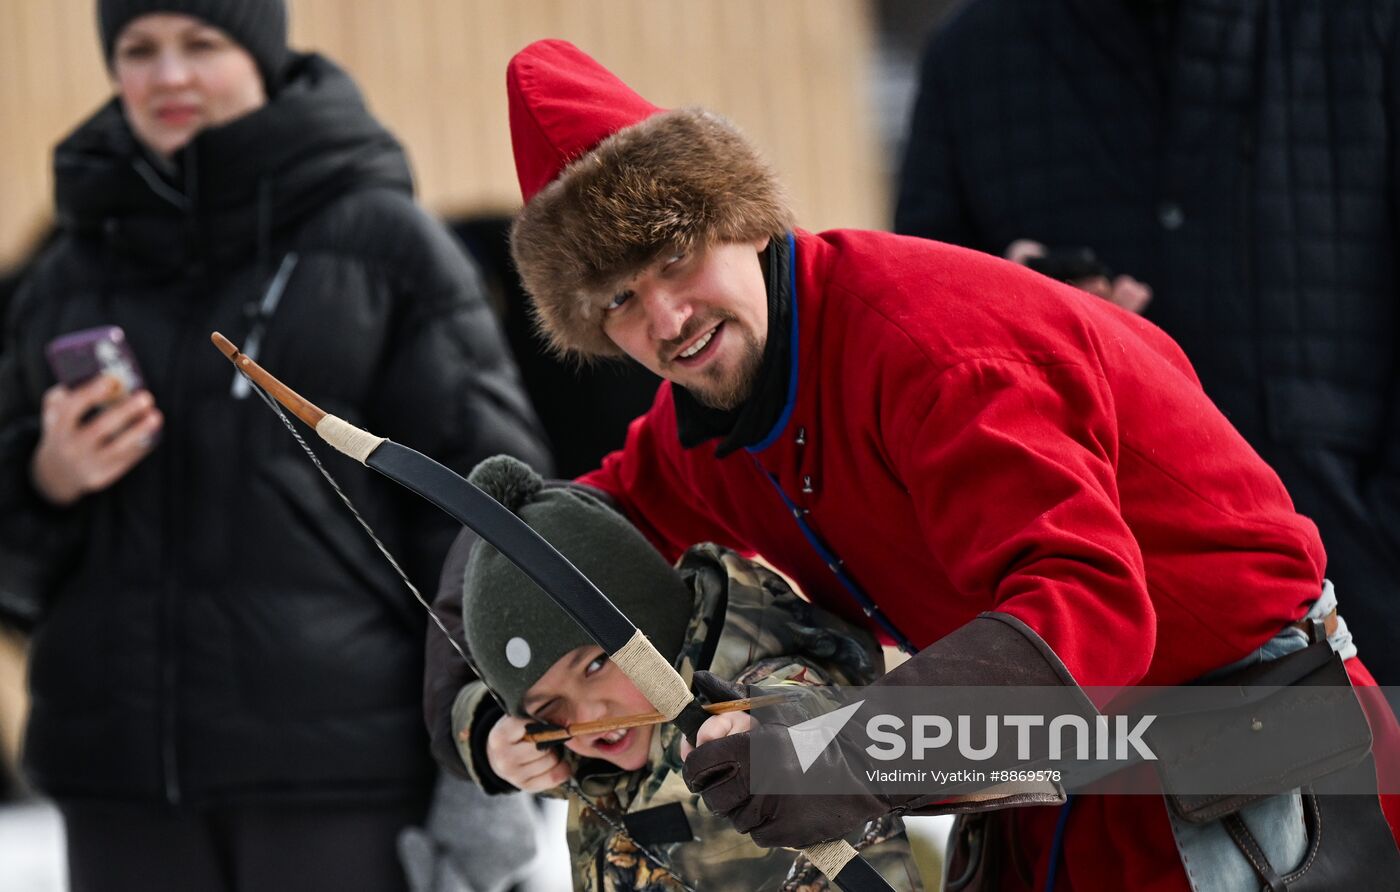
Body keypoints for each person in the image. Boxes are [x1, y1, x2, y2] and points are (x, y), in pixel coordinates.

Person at [426, 38, 1400, 892]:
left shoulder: (930, 352)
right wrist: (495, 702)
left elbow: (1085, 618)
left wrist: (834, 756)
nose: (665, 320)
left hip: (1250, 755)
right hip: (1052, 788)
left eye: (675, 261)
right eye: (619, 303)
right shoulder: (708, 424)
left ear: (745, 220)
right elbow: (545, 534)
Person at [0, 2, 550, 890]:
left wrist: (481, 726)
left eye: (200, 43)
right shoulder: (65, 275)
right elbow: (18, 575)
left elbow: (483, 512)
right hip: (121, 788)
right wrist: (44, 480)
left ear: (261, 57)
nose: (167, 74)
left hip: (341, 777)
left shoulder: (384, 248)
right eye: (138, 49)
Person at [893, 0, 1400, 686]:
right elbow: (915, 355)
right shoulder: (972, 58)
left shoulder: (1367, 27)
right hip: (1098, 667)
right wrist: (1024, 317)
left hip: (1363, 621)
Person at [450, 455, 922, 891]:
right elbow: (517, 737)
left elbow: (808, 709)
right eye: (550, 708)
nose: (589, 713)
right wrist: (489, 738)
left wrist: (766, 738)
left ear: (653, 629)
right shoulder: (589, 756)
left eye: (595, 665)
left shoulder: (754, 683)